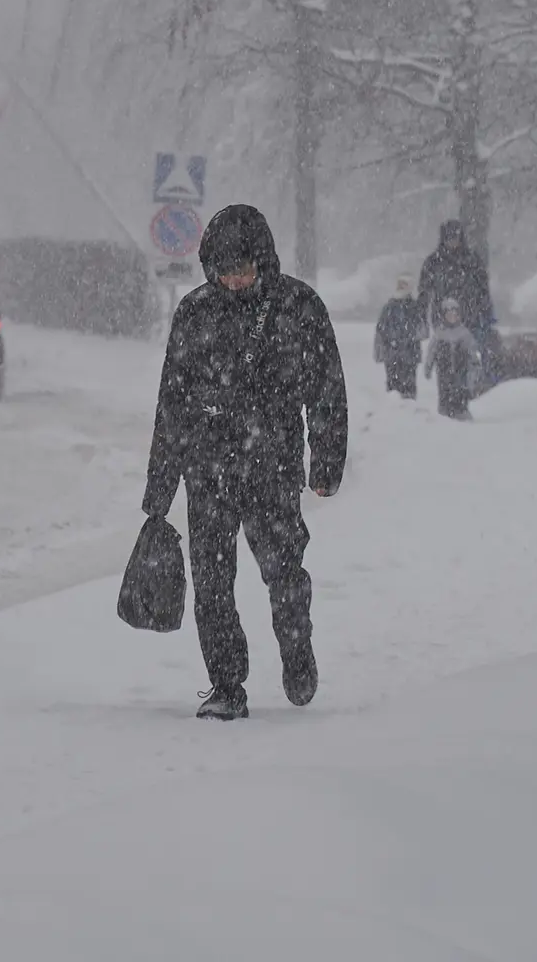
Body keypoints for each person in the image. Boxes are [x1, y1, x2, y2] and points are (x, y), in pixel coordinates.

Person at [143, 204, 348, 721]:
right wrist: (160, 488)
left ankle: (296, 652)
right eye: (223, 273)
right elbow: (173, 402)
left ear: (264, 261)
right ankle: (227, 686)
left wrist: (325, 461)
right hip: (207, 471)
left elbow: (327, 390)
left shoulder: (298, 307)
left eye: (243, 271)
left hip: (273, 468)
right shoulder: (194, 313)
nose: (234, 282)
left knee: (283, 571)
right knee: (211, 583)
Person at [418, 219, 498, 387]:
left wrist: (486, 311)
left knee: (466, 354)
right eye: (449, 238)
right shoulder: (433, 262)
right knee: (445, 357)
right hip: (441, 317)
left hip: (469, 316)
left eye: (455, 238)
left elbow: (482, 289)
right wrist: (422, 316)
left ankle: (467, 389)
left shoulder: (471, 260)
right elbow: (424, 292)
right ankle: (447, 391)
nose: (452, 242)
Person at [425, 297, 482, 421]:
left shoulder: (464, 334)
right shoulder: (439, 334)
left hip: (460, 371)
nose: (452, 317)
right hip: (443, 371)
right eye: (449, 314)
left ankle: (461, 412)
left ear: (458, 315)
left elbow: (473, 353)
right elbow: (431, 351)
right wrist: (428, 367)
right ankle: (444, 413)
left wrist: (475, 366)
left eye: (454, 314)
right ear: (444, 316)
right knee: (445, 393)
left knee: (460, 392)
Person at [373, 274, 426, 399]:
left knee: (409, 386)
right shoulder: (389, 307)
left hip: (410, 353)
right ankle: (394, 410)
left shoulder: (415, 307)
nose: (401, 287)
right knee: (393, 387)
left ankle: (409, 409)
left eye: (405, 284)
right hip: (392, 353)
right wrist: (380, 349)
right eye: (400, 284)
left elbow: (421, 329)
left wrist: (409, 339)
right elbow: (381, 329)